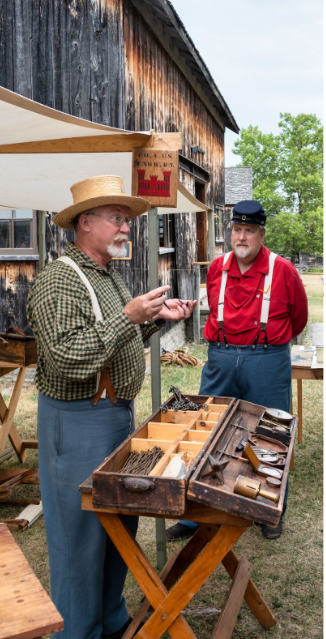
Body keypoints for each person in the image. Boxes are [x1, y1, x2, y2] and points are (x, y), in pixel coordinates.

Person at [27, 174, 196, 639]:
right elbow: (66, 358)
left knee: (118, 526)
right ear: (86, 223)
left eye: (127, 221)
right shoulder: (59, 279)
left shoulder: (108, 277)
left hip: (113, 416)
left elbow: (115, 346)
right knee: (79, 539)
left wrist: (152, 322)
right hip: (77, 421)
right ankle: (78, 631)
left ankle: (111, 621)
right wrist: (128, 317)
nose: (127, 229)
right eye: (118, 219)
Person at [166, 199, 308, 542]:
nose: (241, 237)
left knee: (272, 432)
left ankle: (269, 510)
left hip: (267, 359)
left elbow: (299, 318)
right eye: (236, 230)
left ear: (261, 234)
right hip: (222, 357)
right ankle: (197, 515)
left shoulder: (282, 269)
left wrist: (267, 345)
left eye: (248, 231)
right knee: (208, 426)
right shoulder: (218, 268)